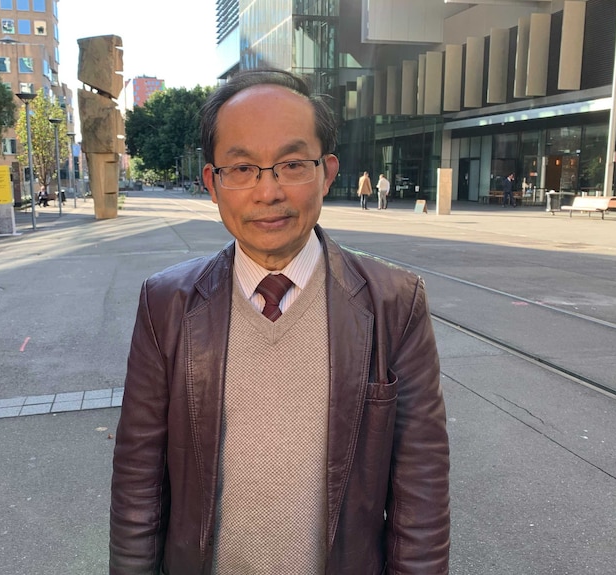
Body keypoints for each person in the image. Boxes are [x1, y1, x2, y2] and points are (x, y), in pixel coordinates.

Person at [110, 69, 450, 574]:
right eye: (243, 168)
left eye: (292, 164)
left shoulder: (393, 304)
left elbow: (420, 492)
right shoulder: (167, 305)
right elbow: (139, 482)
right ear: (212, 182)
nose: (268, 192)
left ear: (327, 171)